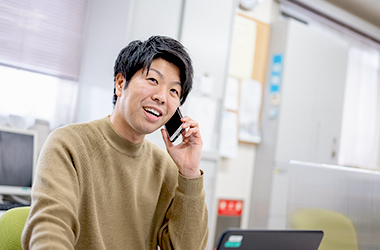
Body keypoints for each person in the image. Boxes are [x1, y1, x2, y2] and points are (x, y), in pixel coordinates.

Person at [21, 36, 208, 250]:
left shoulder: (166, 168)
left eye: (174, 91)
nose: (162, 97)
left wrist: (190, 173)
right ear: (120, 83)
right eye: (153, 80)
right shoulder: (69, 144)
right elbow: (49, 231)